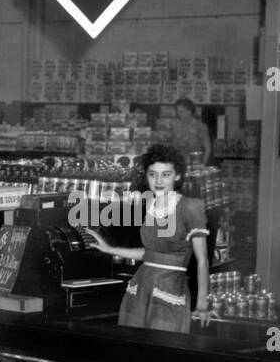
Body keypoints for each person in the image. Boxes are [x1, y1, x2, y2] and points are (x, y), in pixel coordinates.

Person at [84, 142, 212, 332]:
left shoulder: (190, 207)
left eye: (166, 175)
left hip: (169, 289)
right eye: (153, 174)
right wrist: (109, 249)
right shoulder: (149, 204)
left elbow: (202, 261)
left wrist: (202, 304)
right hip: (140, 287)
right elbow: (149, 254)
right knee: (132, 350)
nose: (158, 181)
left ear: (177, 176)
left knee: (162, 351)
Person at [168, 97, 210, 167]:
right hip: (177, 164)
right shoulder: (174, 125)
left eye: (181, 112)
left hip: (195, 165)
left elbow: (208, 149)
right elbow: (170, 145)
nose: (178, 114)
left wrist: (203, 166)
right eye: (177, 112)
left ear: (189, 111)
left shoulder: (200, 126)